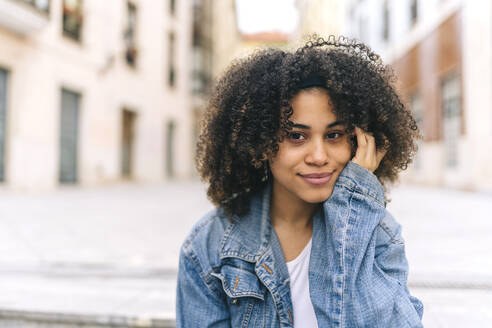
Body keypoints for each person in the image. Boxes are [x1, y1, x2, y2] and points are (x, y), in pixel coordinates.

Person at [176, 36, 424, 327]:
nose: (318, 156)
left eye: (334, 135)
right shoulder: (209, 246)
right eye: (296, 136)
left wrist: (351, 215)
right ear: (261, 141)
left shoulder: (378, 233)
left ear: (359, 142)